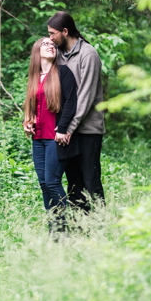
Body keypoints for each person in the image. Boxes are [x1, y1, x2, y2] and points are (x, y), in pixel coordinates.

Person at [47, 11, 105, 210]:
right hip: (67, 131)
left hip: (87, 130)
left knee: (90, 180)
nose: (50, 38)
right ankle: (79, 229)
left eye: (53, 34)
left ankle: (99, 226)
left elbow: (85, 97)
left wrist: (68, 128)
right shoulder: (60, 55)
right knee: (73, 184)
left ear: (65, 31)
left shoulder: (88, 54)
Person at [22, 38, 79, 229]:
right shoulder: (34, 76)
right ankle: (54, 231)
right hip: (38, 139)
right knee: (44, 184)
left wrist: (63, 129)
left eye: (53, 45)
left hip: (55, 138)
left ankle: (69, 225)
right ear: (37, 51)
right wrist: (27, 121)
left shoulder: (63, 73)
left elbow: (71, 102)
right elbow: (32, 106)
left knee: (52, 182)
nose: (51, 46)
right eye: (46, 44)